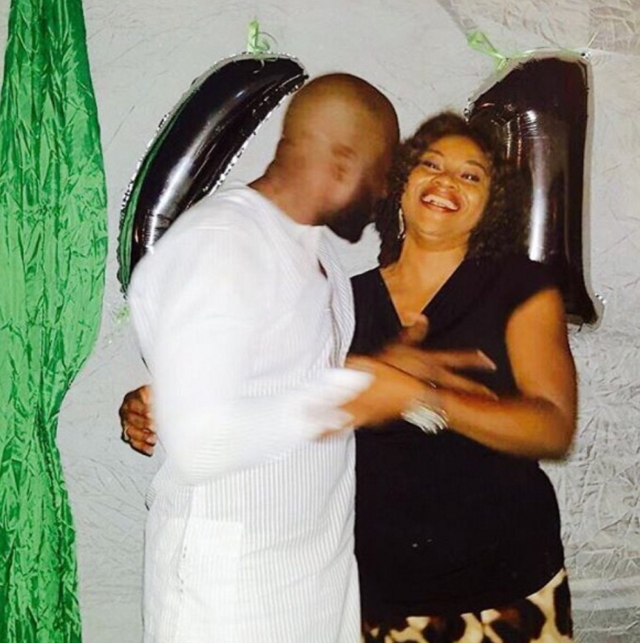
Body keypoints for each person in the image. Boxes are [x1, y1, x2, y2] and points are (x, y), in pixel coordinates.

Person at [124, 77, 494, 643]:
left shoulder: (318, 254)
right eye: (382, 174)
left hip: (313, 580)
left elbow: (276, 385)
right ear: (343, 163)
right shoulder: (222, 246)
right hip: (228, 598)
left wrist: (382, 372)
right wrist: (353, 392)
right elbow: (199, 442)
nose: (383, 194)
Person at [351, 112, 577, 643]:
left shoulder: (521, 287)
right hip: (376, 594)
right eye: (431, 165)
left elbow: (553, 428)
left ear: (490, 204)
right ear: (401, 184)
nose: (447, 181)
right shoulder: (347, 298)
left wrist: (421, 397)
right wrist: (169, 397)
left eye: (471, 175)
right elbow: (284, 391)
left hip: (502, 591)